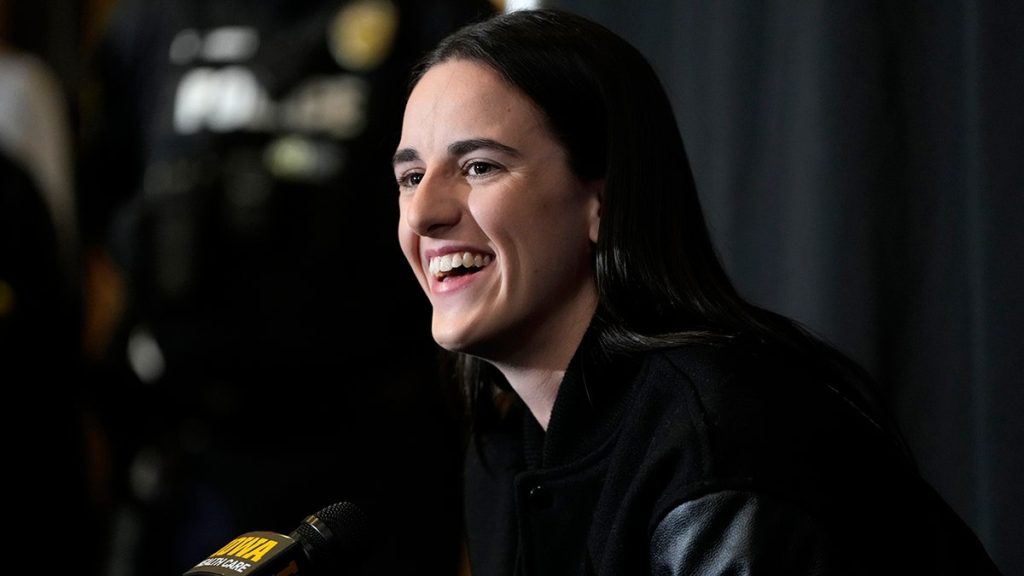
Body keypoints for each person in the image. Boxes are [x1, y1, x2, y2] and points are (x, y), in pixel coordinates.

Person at [391, 8, 1003, 576]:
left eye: (479, 167)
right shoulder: (504, 449)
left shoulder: (716, 441)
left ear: (601, 201)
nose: (423, 213)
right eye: (411, 176)